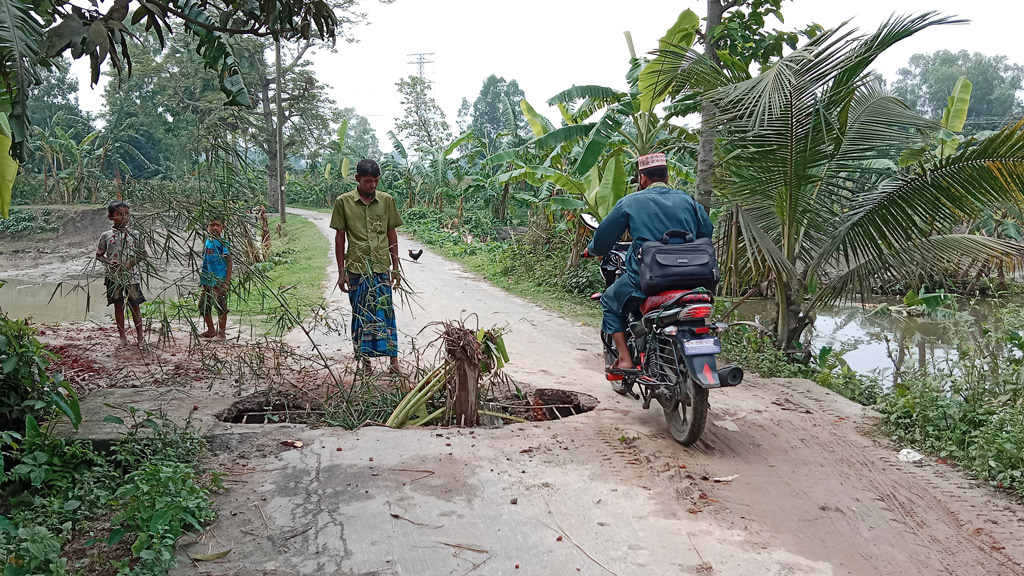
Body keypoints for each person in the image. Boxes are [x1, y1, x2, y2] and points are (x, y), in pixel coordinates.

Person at [586, 152, 714, 372]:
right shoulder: (689, 202)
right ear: (667, 177)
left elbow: (603, 240)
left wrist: (592, 250)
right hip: (693, 277)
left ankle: (625, 359)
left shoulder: (630, 202)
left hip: (649, 278)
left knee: (609, 301)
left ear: (642, 178)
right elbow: (706, 233)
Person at [330, 159, 404, 373]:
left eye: (376, 181)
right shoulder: (343, 203)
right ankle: (365, 364)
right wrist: (341, 271)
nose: (372, 186)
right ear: (357, 179)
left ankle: (394, 363)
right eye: (368, 181)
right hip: (357, 270)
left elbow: (392, 234)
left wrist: (396, 268)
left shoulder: (387, 201)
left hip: (380, 268)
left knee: (386, 314)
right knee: (361, 315)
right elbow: (340, 238)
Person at [96, 200, 148, 348]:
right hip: (114, 277)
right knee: (118, 306)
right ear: (110, 217)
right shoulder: (106, 236)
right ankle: (122, 337)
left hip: (132, 277)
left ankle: (140, 337)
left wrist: (129, 263)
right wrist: (109, 262)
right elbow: (99, 255)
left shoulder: (136, 234)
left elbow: (143, 254)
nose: (124, 218)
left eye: (127, 214)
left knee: (135, 306)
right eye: (119, 214)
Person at [198, 216, 232, 339]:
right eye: (212, 225)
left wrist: (226, 282)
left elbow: (229, 262)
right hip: (207, 281)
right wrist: (202, 280)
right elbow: (206, 261)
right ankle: (211, 329)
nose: (215, 227)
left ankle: (221, 333)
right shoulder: (208, 241)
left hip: (218, 281)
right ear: (208, 227)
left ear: (222, 227)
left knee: (220, 308)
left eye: (217, 225)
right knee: (203, 306)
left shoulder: (223, 243)